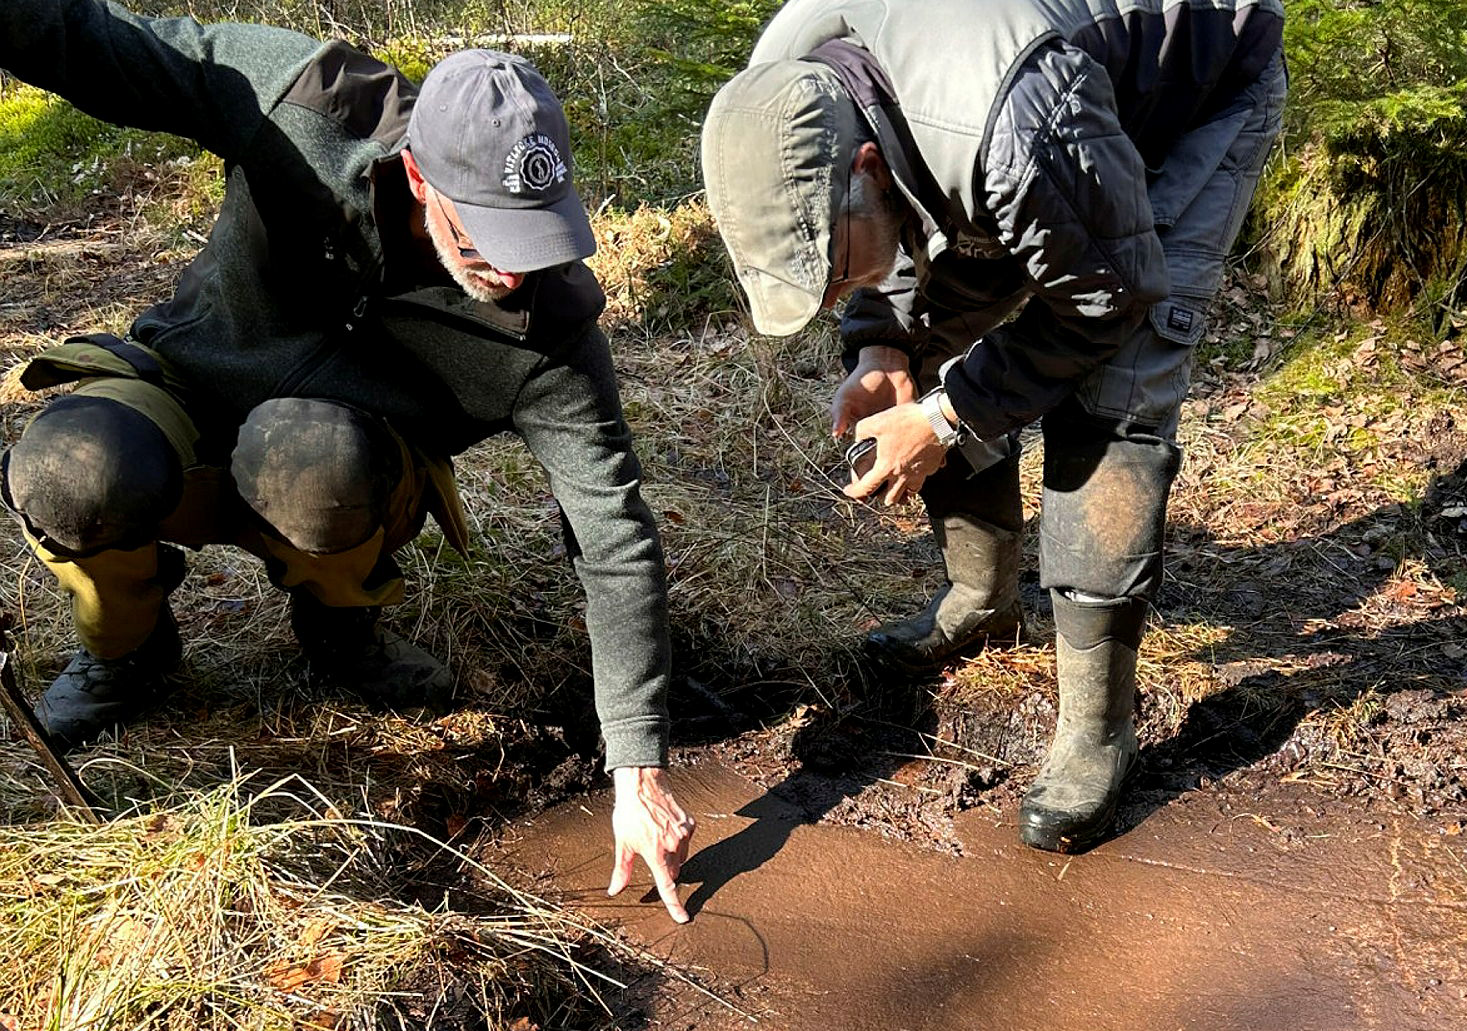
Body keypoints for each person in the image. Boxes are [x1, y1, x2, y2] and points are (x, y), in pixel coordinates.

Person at [1, 2, 695, 920]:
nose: (512, 272)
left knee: (309, 457)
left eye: (535, 232)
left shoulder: (549, 331)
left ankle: (341, 629)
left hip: (336, 465)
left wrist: (635, 764)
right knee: (70, 466)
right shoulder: (307, 100)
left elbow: (613, 537)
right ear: (415, 170)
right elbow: (103, 45)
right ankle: (126, 648)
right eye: (484, 232)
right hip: (183, 390)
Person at [702, 0, 1287, 853]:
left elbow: (1107, 300)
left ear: (864, 166)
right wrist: (880, 344)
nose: (828, 298)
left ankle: (1097, 730)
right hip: (1042, 115)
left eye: (828, 274)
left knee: (1111, 398)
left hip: (1195, 90)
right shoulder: (797, 96)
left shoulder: (1007, 131)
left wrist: (944, 418)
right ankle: (981, 599)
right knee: (934, 350)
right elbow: (895, 222)